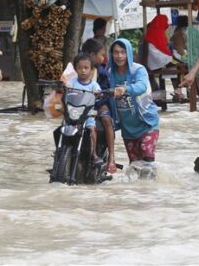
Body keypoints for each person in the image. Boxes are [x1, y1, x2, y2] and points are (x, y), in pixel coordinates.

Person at [108, 39, 161, 167]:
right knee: (135, 165)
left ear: (129, 53)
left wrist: (126, 89)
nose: (119, 56)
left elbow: (142, 86)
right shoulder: (110, 73)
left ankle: (150, 186)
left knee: (147, 158)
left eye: (123, 52)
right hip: (127, 128)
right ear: (111, 54)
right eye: (116, 52)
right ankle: (140, 188)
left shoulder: (138, 70)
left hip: (146, 123)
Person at [80, 38, 117, 173]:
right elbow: (67, 80)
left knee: (106, 120)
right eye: (101, 55)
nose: (103, 58)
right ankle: (60, 149)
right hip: (80, 104)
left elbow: (107, 86)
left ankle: (111, 157)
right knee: (66, 119)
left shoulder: (101, 71)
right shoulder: (76, 69)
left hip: (99, 102)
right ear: (91, 55)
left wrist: (104, 92)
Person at [66, 53, 104, 165]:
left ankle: (94, 154)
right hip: (73, 112)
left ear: (91, 69)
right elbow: (66, 87)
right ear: (76, 69)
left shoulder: (94, 85)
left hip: (88, 114)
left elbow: (99, 93)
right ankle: (59, 149)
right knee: (64, 126)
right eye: (80, 68)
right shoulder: (72, 82)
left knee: (92, 129)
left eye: (86, 68)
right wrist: (66, 87)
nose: (83, 71)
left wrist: (98, 93)